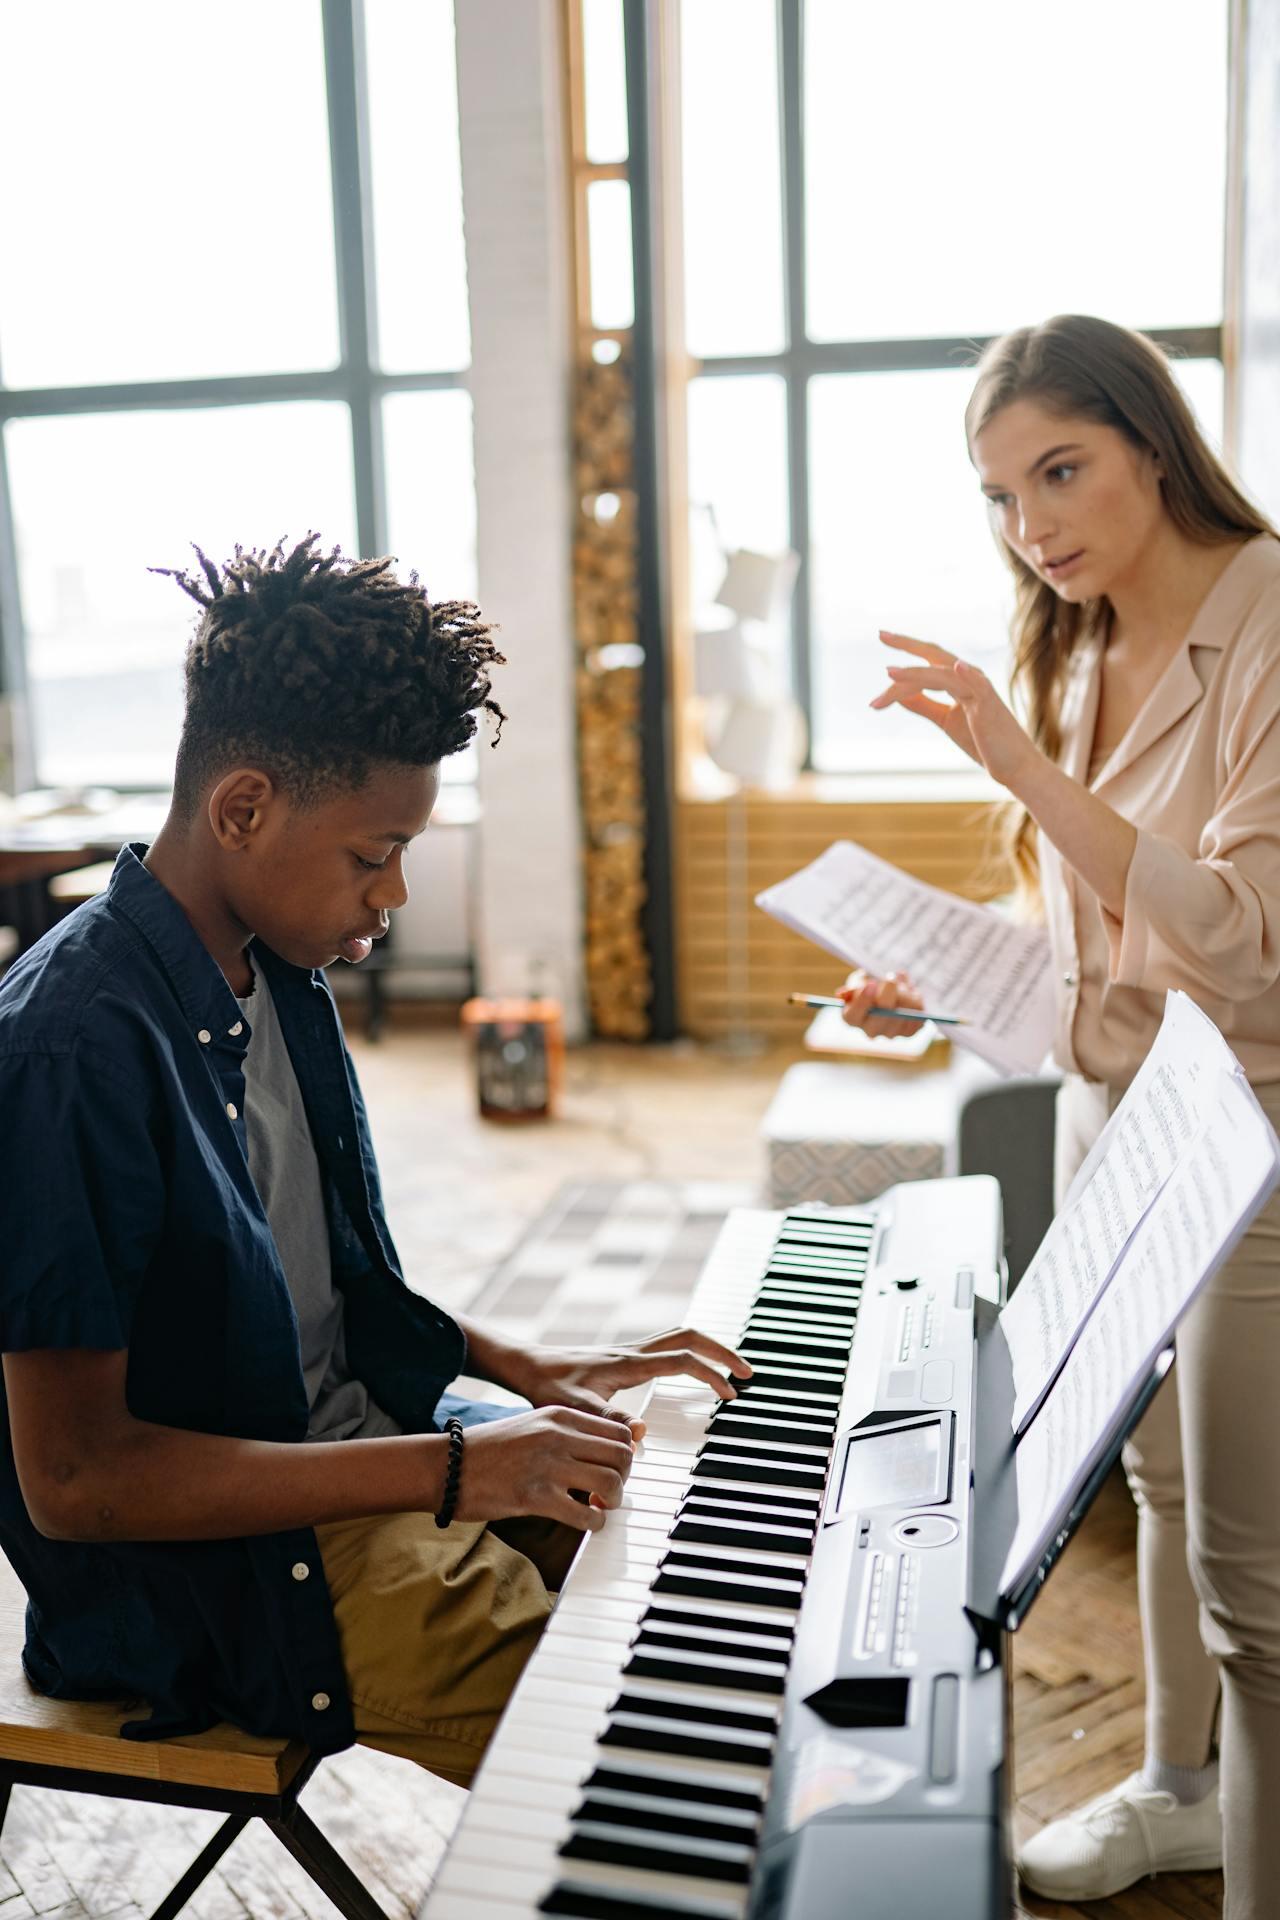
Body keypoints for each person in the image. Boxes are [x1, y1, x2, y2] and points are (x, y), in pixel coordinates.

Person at [0, 535, 748, 1787]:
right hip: (229, 1579)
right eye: (371, 853)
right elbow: (78, 1483)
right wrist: (463, 1467)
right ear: (242, 808)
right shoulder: (69, 1049)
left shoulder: (281, 974)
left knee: (697, 1566)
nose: (392, 893)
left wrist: (518, 1372)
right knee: (664, 1756)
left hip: (366, 1453)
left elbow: (320, 1302)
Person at [840, 314, 1280, 1918]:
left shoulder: (1271, 619)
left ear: (1151, 445)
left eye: (1061, 472)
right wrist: (941, 982)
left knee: (1259, 1586)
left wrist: (1021, 766)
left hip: (1252, 1141)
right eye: (1002, 495)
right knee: (1152, 1486)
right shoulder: (1069, 640)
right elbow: (1090, 944)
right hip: (1112, 1117)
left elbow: (1237, 934)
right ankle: (1181, 1793)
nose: (1033, 527)